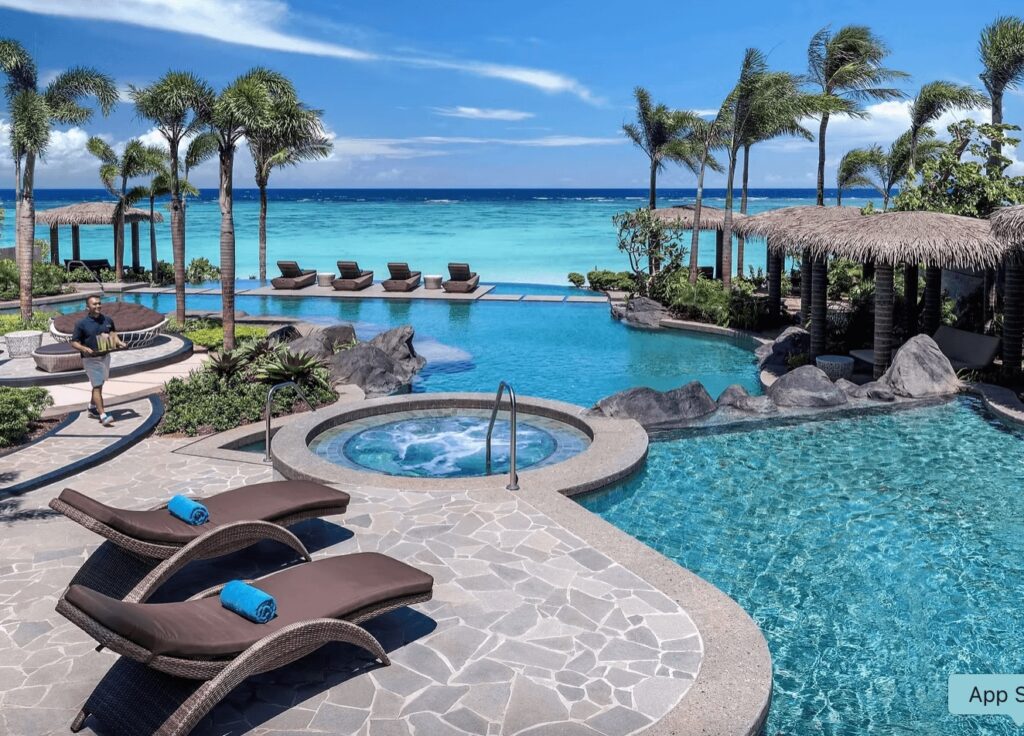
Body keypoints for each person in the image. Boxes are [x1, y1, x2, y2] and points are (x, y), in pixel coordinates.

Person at [70, 296, 124, 427]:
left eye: (99, 303)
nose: (98, 306)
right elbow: (74, 342)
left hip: (105, 356)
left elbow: (112, 334)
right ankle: (103, 415)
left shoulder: (107, 320)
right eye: (94, 304)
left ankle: (92, 407)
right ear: (87, 307)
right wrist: (84, 348)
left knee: (100, 383)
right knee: (97, 386)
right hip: (90, 359)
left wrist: (119, 342)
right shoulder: (81, 324)